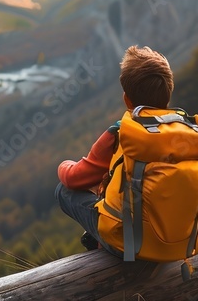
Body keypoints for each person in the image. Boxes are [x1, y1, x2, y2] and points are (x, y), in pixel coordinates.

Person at [54, 45, 174, 250]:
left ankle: (102, 238)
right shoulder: (185, 130)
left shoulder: (121, 133)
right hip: (176, 237)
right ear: (168, 95)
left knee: (63, 191)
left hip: (130, 245)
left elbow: (74, 178)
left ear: (126, 99)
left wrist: (64, 165)